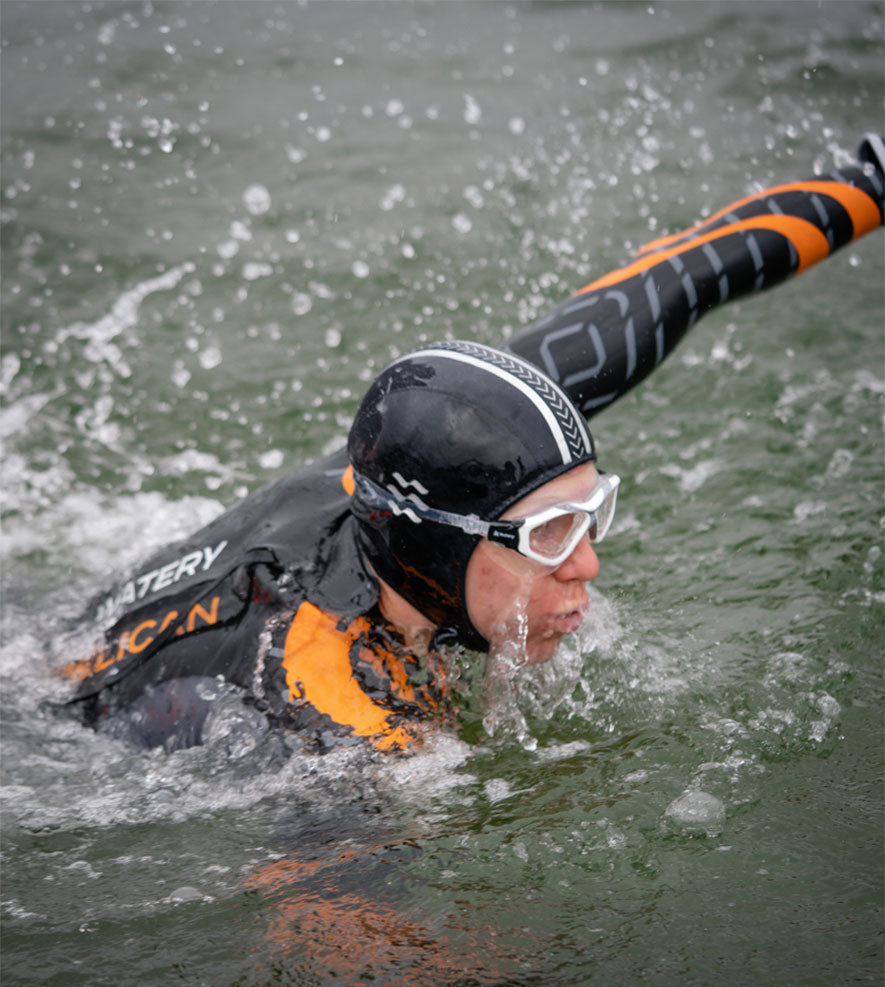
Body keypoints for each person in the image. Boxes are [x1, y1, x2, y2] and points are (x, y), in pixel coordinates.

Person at [55, 136, 884, 756]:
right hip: (51, 720)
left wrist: (870, 178)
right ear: (439, 543)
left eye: (589, 516)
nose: (586, 563)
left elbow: (670, 284)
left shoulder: (423, 453)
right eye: (549, 534)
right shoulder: (337, 711)